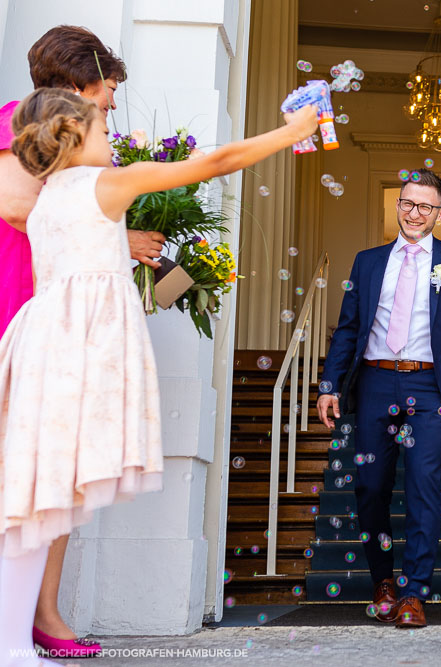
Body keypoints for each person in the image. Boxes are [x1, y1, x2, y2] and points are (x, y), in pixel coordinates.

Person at [0, 87, 317, 666]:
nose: (111, 143)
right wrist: (292, 132)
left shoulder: (45, 202)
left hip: (43, 342)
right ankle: (12, 644)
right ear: (73, 137)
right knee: (46, 499)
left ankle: (13, 640)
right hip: (79, 349)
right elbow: (214, 163)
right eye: (101, 132)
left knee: (38, 497)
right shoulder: (106, 185)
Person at [0, 26, 165, 659]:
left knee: (57, 475)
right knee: (31, 475)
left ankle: (40, 614)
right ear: (78, 84)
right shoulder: (21, 121)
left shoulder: (84, 151)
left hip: (64, 310)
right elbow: (20, 206)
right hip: (25, 302)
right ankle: (31, 620)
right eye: (110, 89)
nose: (114, 104)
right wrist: (116, 238)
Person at [316, 168, 441, 629]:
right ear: (397, 205)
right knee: (371, 486)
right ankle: (383, 581)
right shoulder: (368, 261)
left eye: (425, 206)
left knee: (424, 485)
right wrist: (328, 385)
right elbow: (348, 330)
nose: (414, 213)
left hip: (430, 386)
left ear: (440, 213)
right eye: (406, 203)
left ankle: (415, 592)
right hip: (376, 382)